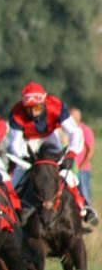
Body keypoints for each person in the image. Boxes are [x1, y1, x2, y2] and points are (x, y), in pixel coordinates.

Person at [9, 82, 98, 225]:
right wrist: (26, 158)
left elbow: (75, 133)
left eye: (37, 107)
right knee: (18, 176)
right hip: (29, 143)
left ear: (44, 102)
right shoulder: (16, 113)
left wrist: (71, 155)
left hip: (50, 138)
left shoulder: (56, 106)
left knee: (67, 174)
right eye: (29, 109)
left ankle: (83, 207)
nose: (33, 113)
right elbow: (14, 145)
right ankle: (12, 211)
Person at [71, 108, 95, 203]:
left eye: (73, 115)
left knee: (85, 194)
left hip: (82, 169)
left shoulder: (85, 130)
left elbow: (91, 149)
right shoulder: (68, 130)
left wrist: (83, 165)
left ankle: (90, 215)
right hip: (70, 169)